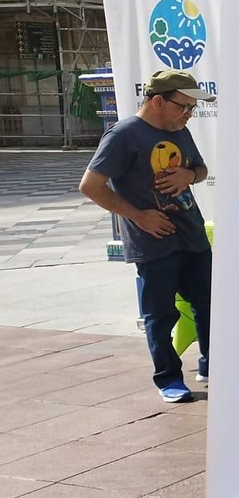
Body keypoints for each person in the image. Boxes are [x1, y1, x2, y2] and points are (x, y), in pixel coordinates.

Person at [79, 69, 215, 402]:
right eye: (184, 106)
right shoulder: (123, 135)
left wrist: (188, 175)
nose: (189, 114)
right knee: (161, 314)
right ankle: (169, 379)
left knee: (211, 305)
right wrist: (139, 216)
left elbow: (201, 170)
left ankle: (212, 366)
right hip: (153, 242)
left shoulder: (180, 131)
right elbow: (90, 186)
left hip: (192, 235)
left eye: (193, 108)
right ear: (158, 101)